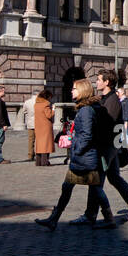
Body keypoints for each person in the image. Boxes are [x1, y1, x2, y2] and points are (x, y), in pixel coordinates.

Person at [35, 79, 115, 231]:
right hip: (87, 156)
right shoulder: (89, 108)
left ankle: (109, 218)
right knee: (69, 187)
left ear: (82, 91)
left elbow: (86, 135)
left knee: (95, 189)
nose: (71, 91)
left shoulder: (85, 110)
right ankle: (54, 218)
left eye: (74, 89)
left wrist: (75, 148)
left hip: (86, 157)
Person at [79, 71, 128, 223]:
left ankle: (90, 215)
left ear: (107, 82)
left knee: (96, 180)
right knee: (114, 178)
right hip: (111, 146)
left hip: (107, 147)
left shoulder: (112, 101)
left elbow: (106, 124)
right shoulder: (105, 99)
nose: (97, 82)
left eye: (99, 80)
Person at [34, 88, 54, 166]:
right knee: (46, 145)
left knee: (39, 144)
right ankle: (45, 162)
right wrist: (53, 109)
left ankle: (38, 161)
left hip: (38, 126)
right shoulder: (46, 104)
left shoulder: (36, 104)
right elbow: (49, 115)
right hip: (46, 127)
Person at [22, 87, 36, 161]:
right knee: (39, 140)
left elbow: (24, 111)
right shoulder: (40, 102)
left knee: (31, 140)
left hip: (30, 123)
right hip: (39, 124)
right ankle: (39, 154)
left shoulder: (27, 102)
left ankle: (30, 155)